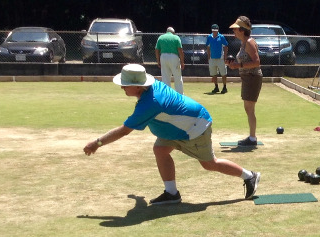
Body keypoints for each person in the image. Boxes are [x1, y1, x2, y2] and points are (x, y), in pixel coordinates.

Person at [83, 64, 260, 204]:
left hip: (195, 127)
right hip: (177, 129)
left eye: (125, 84)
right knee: (160, 150)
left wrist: (97, 143)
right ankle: (171, 193)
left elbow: (124, 131)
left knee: (209, 164)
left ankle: (250, 176)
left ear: (137, 86)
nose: (122, 87)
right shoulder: (150, 89)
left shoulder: (150, 104)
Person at [227, 16, 262, 146]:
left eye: (236, 29)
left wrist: (238, 66)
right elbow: (246, 61)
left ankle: (252, 138)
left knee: (250, 109)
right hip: (248, 78)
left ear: (242, 30)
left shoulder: (249, 42)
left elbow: (257, 62)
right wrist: (234, 64)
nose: (234, 32)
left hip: (252, 78)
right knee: (248, 109)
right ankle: (252, 137)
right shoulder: (244, 42)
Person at [155, 27, 185, 94]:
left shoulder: (161, 38)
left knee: (165, 78)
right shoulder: (176, 37)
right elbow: (180, 50)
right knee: (177, 78)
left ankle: (167, 95)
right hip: (174, 57)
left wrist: (158, 61)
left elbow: (157, 50)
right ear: (173, 32)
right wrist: (182, 62)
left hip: (163, 57)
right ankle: (180, 95)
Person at [206, 24, 229, 94]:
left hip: (220, 58)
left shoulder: (221, 37)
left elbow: (225, 46)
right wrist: (209, 57)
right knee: (214, 73)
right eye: (213, 31)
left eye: (215, 31)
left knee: (223, 73)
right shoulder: (209, 37)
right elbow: (208, 47)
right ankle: (216, 87)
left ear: (218, 30)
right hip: (212, 58)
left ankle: (224, 87)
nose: (214, 32)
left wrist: (225, 56)